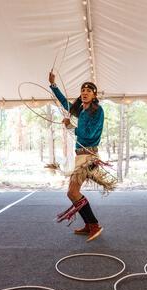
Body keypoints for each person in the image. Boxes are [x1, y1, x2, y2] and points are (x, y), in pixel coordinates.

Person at [49, 71, 114, 243]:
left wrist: (71, 126)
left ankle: (94, 225)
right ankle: (89, 224)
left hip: (89, 157)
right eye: (83, 90)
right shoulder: (82, 111)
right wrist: (53, 85)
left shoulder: (97, 111)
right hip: (80, 157)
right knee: (72, 193)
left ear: (94, 95)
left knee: (72, 192)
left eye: (89, 90)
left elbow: (90, 133)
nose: (84, 92)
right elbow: (65, 104)